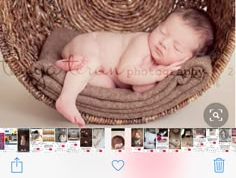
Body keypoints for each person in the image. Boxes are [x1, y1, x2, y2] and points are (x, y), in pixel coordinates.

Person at [55, 7, 214, 126]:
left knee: (107, 84)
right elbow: (124, 73)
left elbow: (139, 88)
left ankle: (71, 67)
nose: (163, 43)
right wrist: (156, 75)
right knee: (92, 62)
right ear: (158, 24)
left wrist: (155, 75)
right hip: (89, 44)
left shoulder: (161, 67)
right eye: (162, 31)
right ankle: (66, 99)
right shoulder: (142, 43)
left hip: (104, 72)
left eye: (176, 47)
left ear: (187, 59)